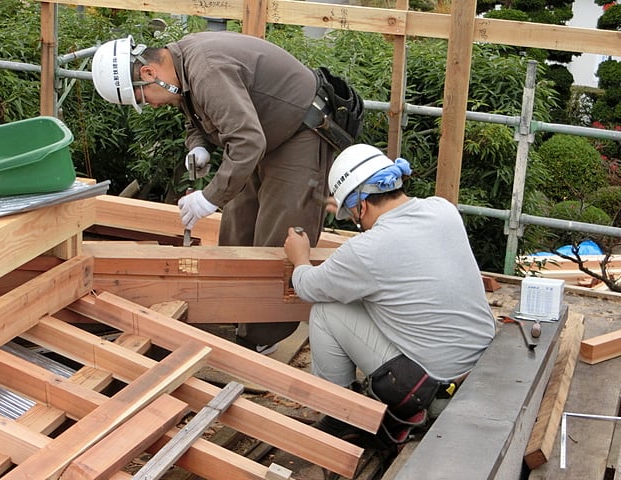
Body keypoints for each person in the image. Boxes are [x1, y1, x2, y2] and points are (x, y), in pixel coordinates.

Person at [91, 31, 363, 353]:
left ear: (149, 74)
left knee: (281, 234)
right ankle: (235, 313)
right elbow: (196, 114)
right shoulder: (181, 67)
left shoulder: (206, 68)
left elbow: (248, 142)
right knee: (237, 221)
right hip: (262, 134)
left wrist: (208, 198)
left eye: (143, 98)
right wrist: (199, 147)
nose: (149, 105)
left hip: (299, 133)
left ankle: (263, 337)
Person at [283, 144, 496, 446]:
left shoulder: (368, 250)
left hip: (431, 394)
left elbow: (308, 286)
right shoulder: (442, 209)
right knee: (365, 296)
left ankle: (341, 415)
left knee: (325, 310)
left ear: (362, 207)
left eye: (354, 216)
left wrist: (300, 257)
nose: (358, 224)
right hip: (483, 372)